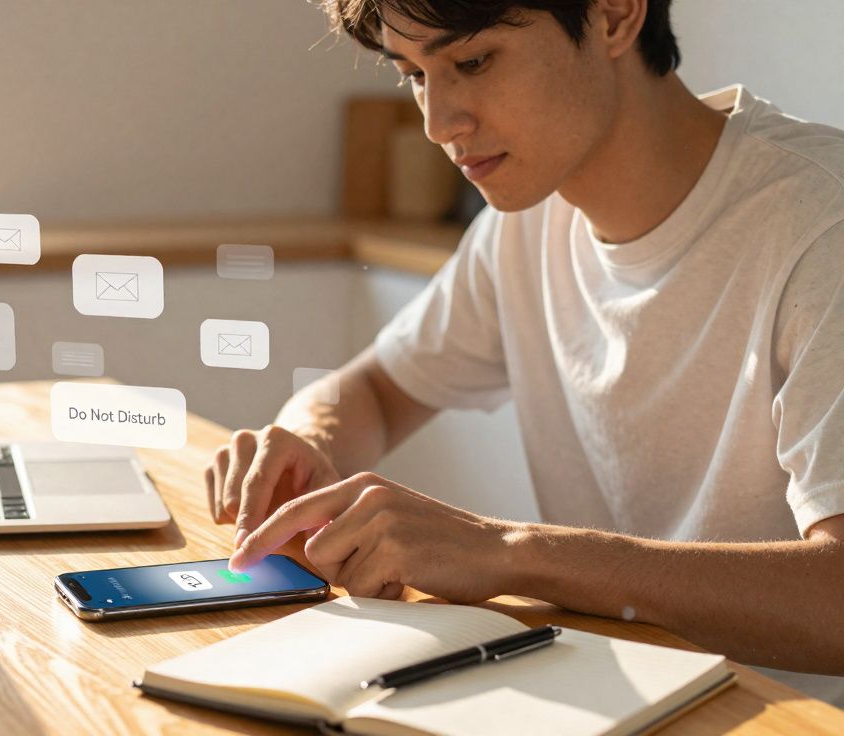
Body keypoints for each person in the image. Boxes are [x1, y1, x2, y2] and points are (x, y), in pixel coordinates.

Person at [209, 0, 844, 703]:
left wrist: (509, 553)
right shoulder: (527, 223)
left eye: (472, 62)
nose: (437, 124)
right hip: (611, 700)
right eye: (415, 75)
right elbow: (379, 390)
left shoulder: (823, 226)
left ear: (613, 16)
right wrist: (306, 441)